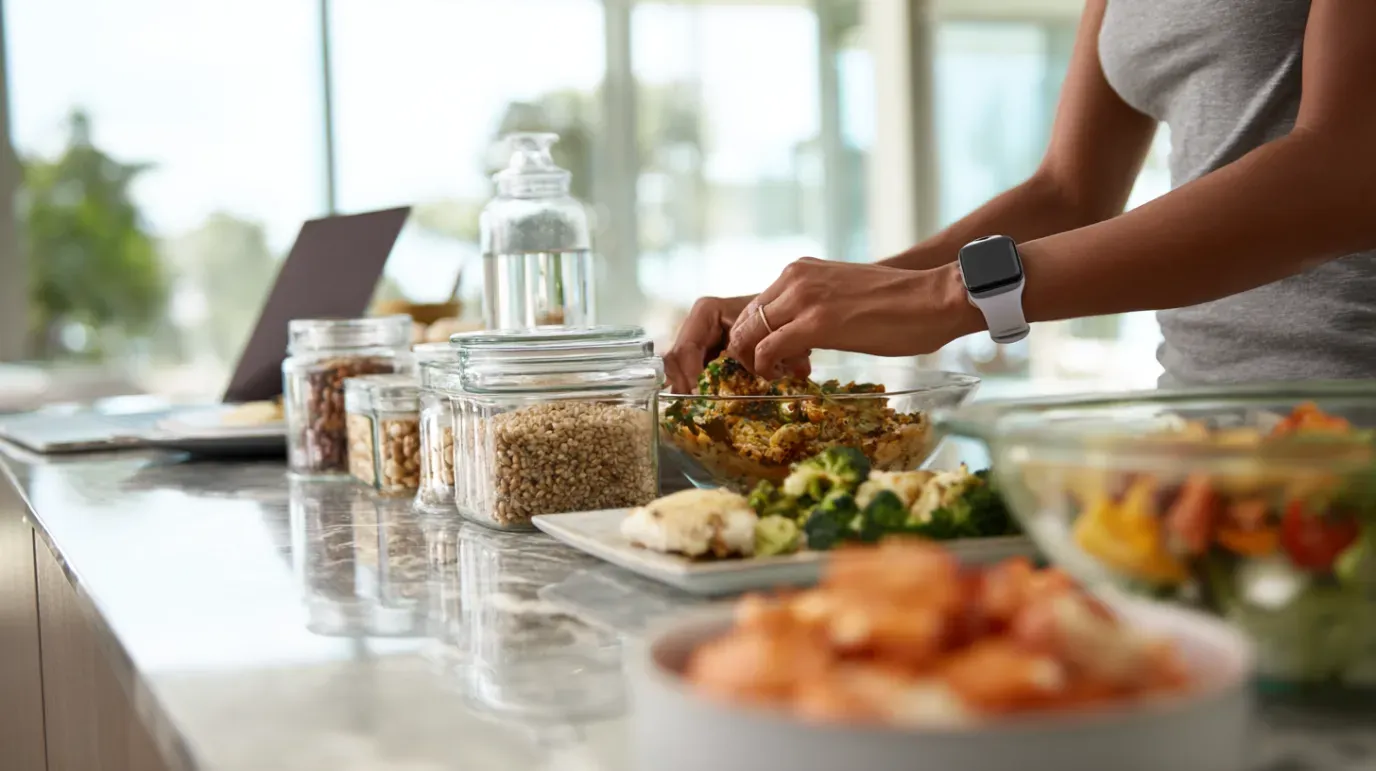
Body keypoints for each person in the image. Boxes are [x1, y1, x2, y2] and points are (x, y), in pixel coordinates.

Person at [664, 0, 1376, 394]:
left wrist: (948, 299)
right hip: (1195, 421)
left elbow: (1347, 170)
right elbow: (1069, 191)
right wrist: (807, 304)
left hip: (1346, 428)